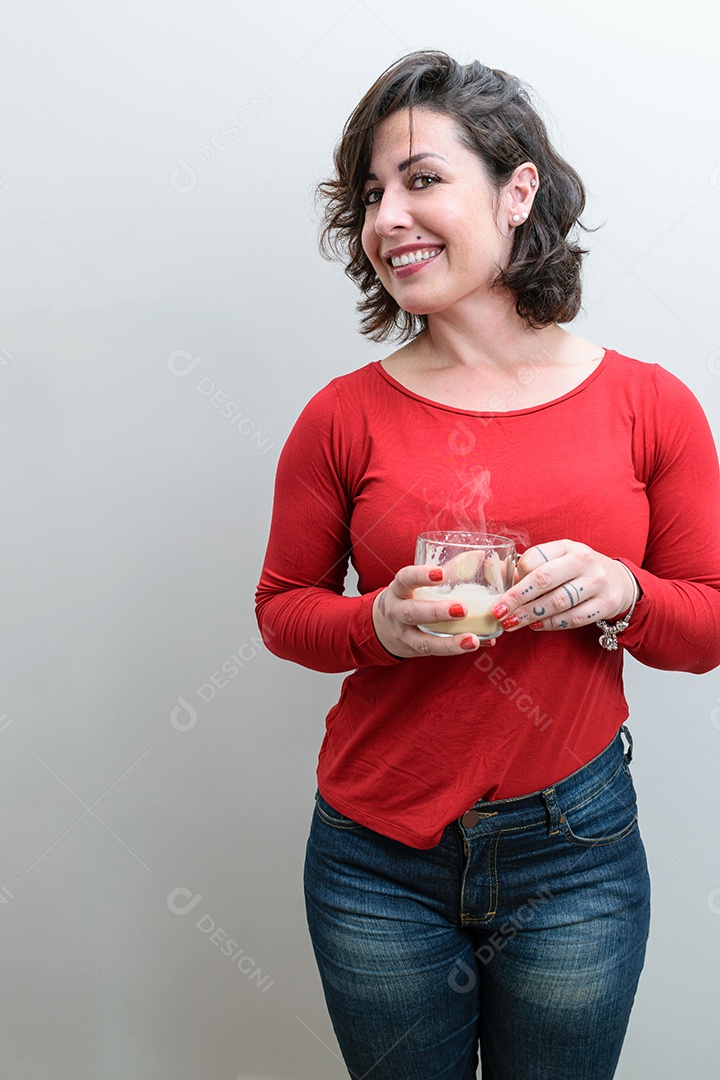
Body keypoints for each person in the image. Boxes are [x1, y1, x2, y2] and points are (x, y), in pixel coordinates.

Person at [255, 50, 720, 1079]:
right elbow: (283, 610)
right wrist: (375, 624)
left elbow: (708, 626)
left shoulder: (652, 405)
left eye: (421, 180)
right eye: (371, 194)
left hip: (577, 855)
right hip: (375, 861)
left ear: (518, 192)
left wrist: (628, 594)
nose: (386, 218)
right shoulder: (340, 417)